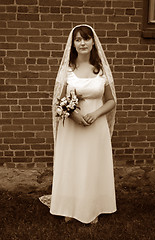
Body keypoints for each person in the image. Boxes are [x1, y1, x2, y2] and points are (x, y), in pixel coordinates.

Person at [39, 24, 117, 224]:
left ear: (93, 42)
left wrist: (96, 113)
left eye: (86, 38)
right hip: (73, 127)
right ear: (73, 44)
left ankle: (93, 207)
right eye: (78, 39)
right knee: (73, 164)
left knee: (92, 165)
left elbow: (111, 101)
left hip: (95, 127)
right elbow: (59, 100)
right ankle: (69, 207)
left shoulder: (101, 71)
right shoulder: (68, 70)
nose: (82, 43)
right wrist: (73, 115)